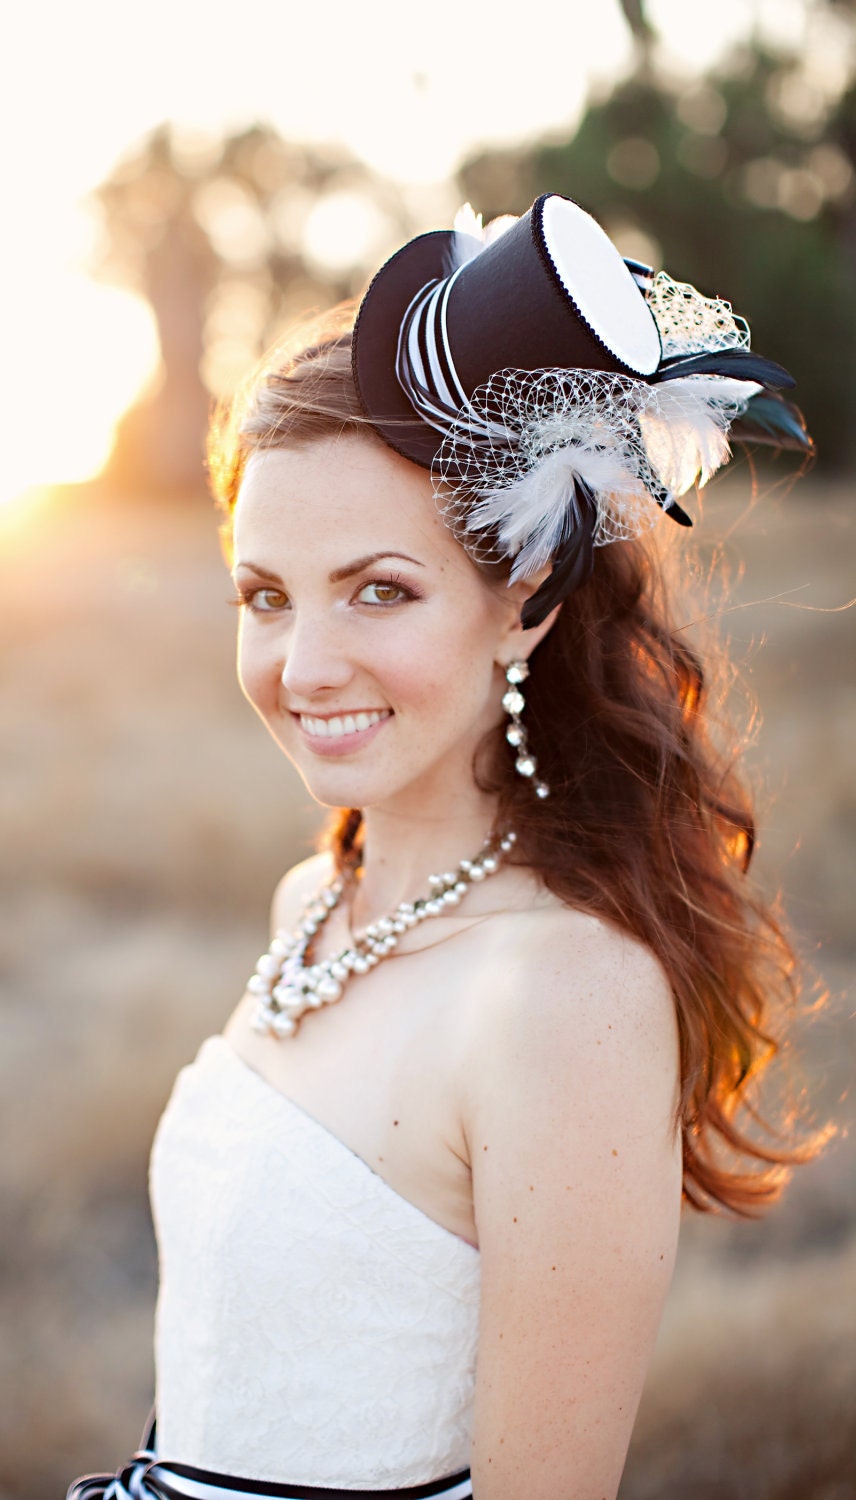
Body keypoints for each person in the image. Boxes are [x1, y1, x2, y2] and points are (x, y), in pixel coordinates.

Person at [68, 194, 824, 1500]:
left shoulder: (566, 999)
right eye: (265, 596)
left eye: (380, 590)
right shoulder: (318, 895)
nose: (304, 667)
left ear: (522, 600)